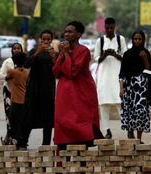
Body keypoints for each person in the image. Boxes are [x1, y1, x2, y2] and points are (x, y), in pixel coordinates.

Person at [53, 21, 103, 150]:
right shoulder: (64, 49)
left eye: (70, 32)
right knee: (63, 120)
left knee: (81, 121)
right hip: (64, 93)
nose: (66, 34)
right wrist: (61, 55)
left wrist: (65, 54)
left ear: (78, 35)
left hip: (80, 92)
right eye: (66, 31)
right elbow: (56, 72)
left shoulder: (83, 51)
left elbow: (72, 72)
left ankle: (81, 162)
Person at [17, 30, 57, 149]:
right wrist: (37, 53)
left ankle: (46, 145)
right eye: (43, 39)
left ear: (51, 40)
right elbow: (26, 65)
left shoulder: (54, 53)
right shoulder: (34, 51)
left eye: (48, 39)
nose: (45, 41)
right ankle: (23, 142)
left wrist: (54, 57)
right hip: (33, 90)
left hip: (48, 91)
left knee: (48, 120)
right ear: (40, 40)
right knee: (28, 116)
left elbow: (58, 70)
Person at [119, 30, 151, 143]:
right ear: (133, 40)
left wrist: (145, 59)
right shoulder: (127, 54)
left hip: (142, 88)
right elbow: (122, 73)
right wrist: (121, 89)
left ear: (143, 40)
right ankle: (131, 135)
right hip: (129, 88)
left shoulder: (146, 53)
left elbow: (149, 71)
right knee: (129, 112)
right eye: (135, 39)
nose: (137, 41)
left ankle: (139, 139)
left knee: (140, 112)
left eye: (140, 39)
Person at [94, 17, 127, 139]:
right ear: (104, 27)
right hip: (104, 77)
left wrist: (115, 54)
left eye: (111, 28)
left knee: (120, 102)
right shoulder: (100, 41)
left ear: (114, 27)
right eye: (107, 28)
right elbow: (96, 58)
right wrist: (105, 55)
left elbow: (125, 56)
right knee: (103, 103)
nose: (109, 30)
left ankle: (127, 127)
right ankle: (107, 130)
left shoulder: (120, 39)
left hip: (118, 76)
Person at [0, 43, 23, 145]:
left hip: (21, 92)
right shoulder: (7, 62)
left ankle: (17, 138)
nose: (16, 50)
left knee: (19, 116)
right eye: (15, 48)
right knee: (10, 115)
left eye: (18, 48)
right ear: (12, 50)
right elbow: (0, 76)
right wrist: (9, 77)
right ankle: (10, 138)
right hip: (9, 91)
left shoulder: (25, 62)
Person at [6, 52, 29, 149]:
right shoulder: (27, 71)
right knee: (22, 121)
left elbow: (6, 78)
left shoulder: (12, 71)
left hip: (16, 100)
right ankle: (22, 140)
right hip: (25, 99)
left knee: (12, 119)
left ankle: (19, 140)